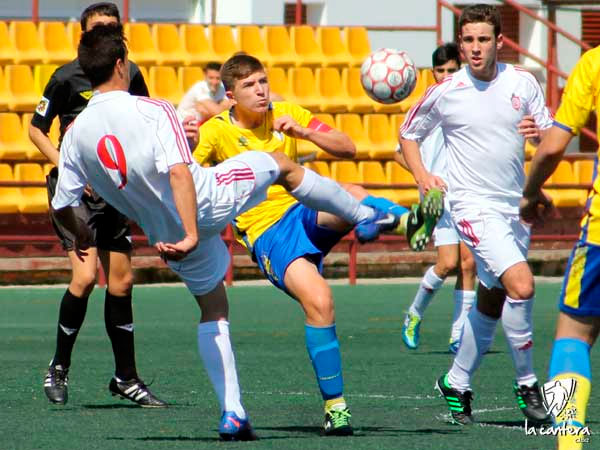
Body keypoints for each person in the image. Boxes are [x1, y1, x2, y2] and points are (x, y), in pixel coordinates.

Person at [52, 23, 415, 440]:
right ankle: (366, 216)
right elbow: (179, 173)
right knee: (279, 163)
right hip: (205, 204)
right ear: (121, 65)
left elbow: (64, 205)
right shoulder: (154, 109)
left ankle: (234, 413)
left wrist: (82, 236)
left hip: (165, 235)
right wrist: (192, 230)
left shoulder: (76, 134)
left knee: (214, 308)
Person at [193, 53, 443, 436]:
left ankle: (407, 222)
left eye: (263, 81)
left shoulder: (287, 113)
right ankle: (335, 408)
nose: (261, 90)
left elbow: (347, 147)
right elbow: (188, 178)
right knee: (321, 302)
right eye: (249, 86)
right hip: (268, 235)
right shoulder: (215, 132)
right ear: (230, 94)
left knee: (351, 191)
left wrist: (306, 133)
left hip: (304, 211)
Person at [399, 4, 553, 425]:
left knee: (492, 299)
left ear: (499, 41)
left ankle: (456, 380)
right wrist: (423, 177)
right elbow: (408, 134)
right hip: (470, 205)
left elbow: (548, 134)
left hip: (513, 207)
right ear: (460, 44)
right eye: (467, 40)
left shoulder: (523, 82)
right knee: (521, 285)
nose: (475, 48)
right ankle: (527, 387)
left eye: (483, 39)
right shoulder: (446, 91)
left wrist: (537, 137)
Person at [28, 2, 179, 407]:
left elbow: (144, 125)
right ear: (84, 35)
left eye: (113, 27)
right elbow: (36, 129)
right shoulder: (65, 77)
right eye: (100, 28)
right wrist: (70, 166)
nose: (108, 33)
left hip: (113, 191)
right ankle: (58, 367)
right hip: (77, 192)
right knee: (85, 278)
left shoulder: (130, 74)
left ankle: (125, 377)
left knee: (123, 282)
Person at [520, 45, 600, 449]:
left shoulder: (594, 63)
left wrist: (531, 191)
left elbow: (553, 147)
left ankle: (569, 441)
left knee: (573, 334)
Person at [397, 42, 477, 354]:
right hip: (437, 196)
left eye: (452, 70)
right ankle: (414, 314)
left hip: (467, 192)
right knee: (447, 264)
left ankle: (459, 335)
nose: (446, 75)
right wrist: (425, 177)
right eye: (441, 71)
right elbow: (400, 151)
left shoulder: (470, 105)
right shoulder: (425, 106)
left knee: (469, 264)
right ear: (433, 73)